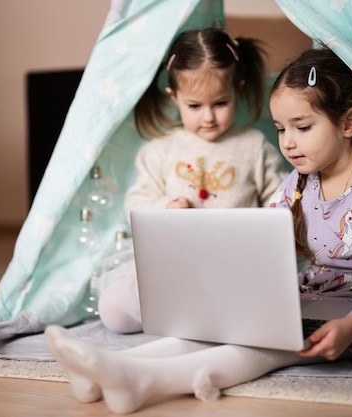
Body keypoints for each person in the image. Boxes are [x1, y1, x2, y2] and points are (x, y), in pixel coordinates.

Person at [45, 47, 352, 414]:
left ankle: (142, 381)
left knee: (256, 348)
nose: (288, 142)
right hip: (307, 298)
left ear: (349, 123)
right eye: (280, 129)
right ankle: (103, 369)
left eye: (302, 127)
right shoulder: (298, 181)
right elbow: (256, 244)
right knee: (208, 332)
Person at [96, 27, 288, 334]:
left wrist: (262, 232)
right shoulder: (159, 150)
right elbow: (135, 204)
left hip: (233, 263)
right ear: (175, 98)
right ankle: (191, 313)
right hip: (174, 263)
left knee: (259, 312)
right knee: (115, 311)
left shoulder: (254, 146)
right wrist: (166, 206)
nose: (208, 117)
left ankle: (205, 316)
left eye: (220, 103)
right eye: (195, 106)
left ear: (236, 90)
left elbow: (280, 201)